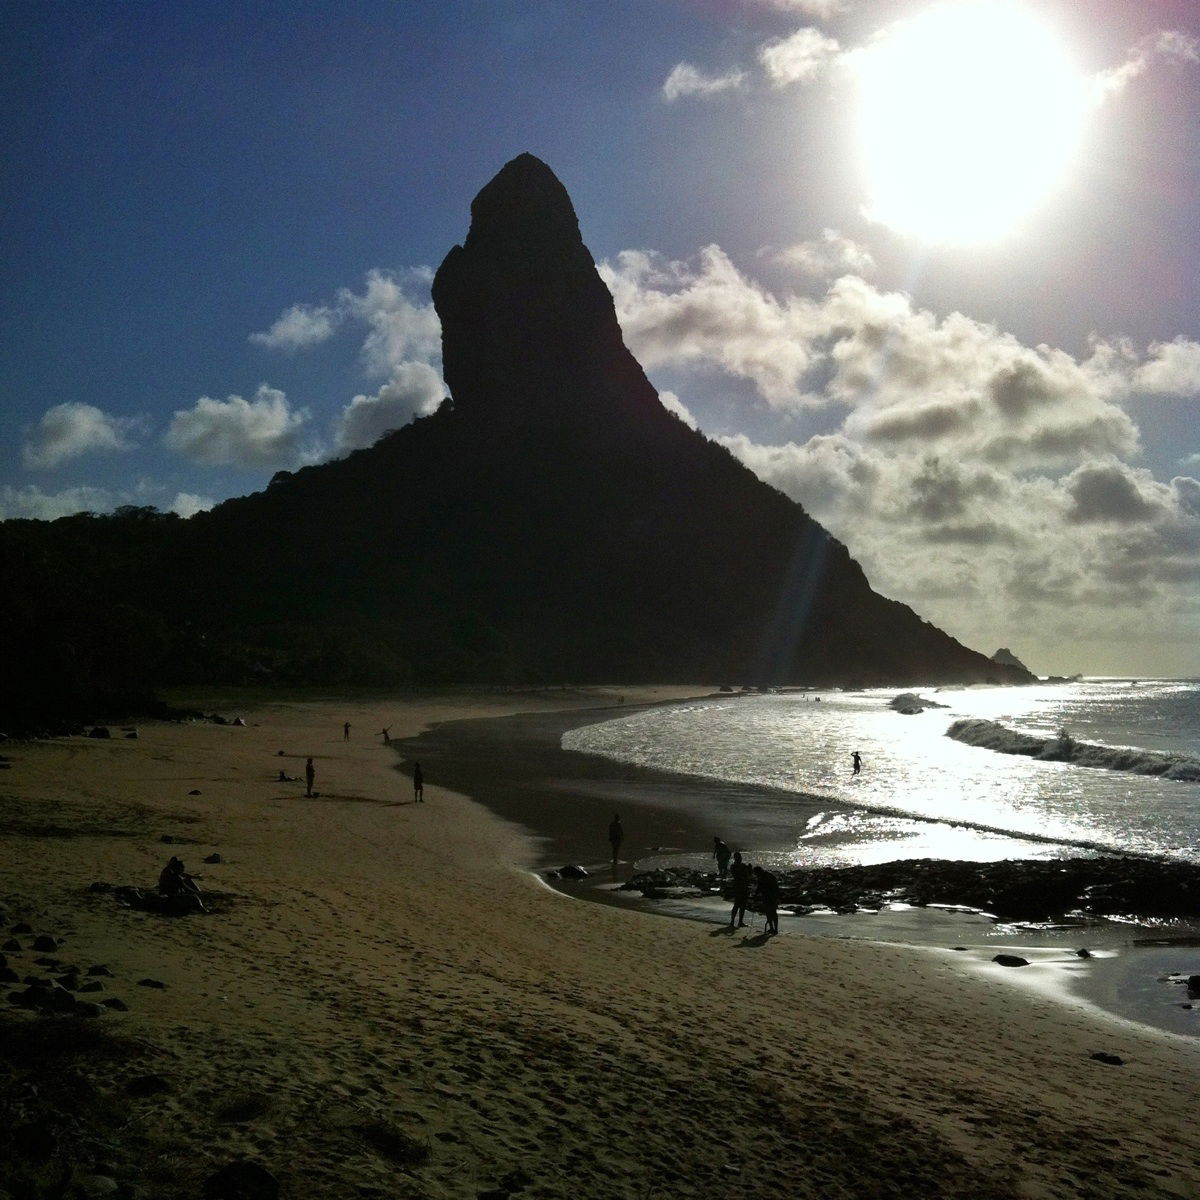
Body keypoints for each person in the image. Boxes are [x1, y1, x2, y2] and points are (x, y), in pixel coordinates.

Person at [753, 865, 779, 935]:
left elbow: (773, 887)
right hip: (766, 896)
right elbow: (759, 887)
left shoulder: (768, 876)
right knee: (768, 912)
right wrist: (756, 895)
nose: (756, 875)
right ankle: (771, 928)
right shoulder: (761, 876)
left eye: (756, 873)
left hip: (772, 896)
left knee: (773, 912)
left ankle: (775, 929)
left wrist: (774, 897)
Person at [729, 851, 751, 928]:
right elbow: (738, 875)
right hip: (739, 887)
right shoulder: (734, 866)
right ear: (736, 858)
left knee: (742, 905)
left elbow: (748, 875)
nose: (740, 859)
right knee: (737, 904)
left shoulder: (741, 866)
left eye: (740, 857)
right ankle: (732, 922)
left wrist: (749, 869)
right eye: (739, 857)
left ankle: (739, 922)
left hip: (743, 886)